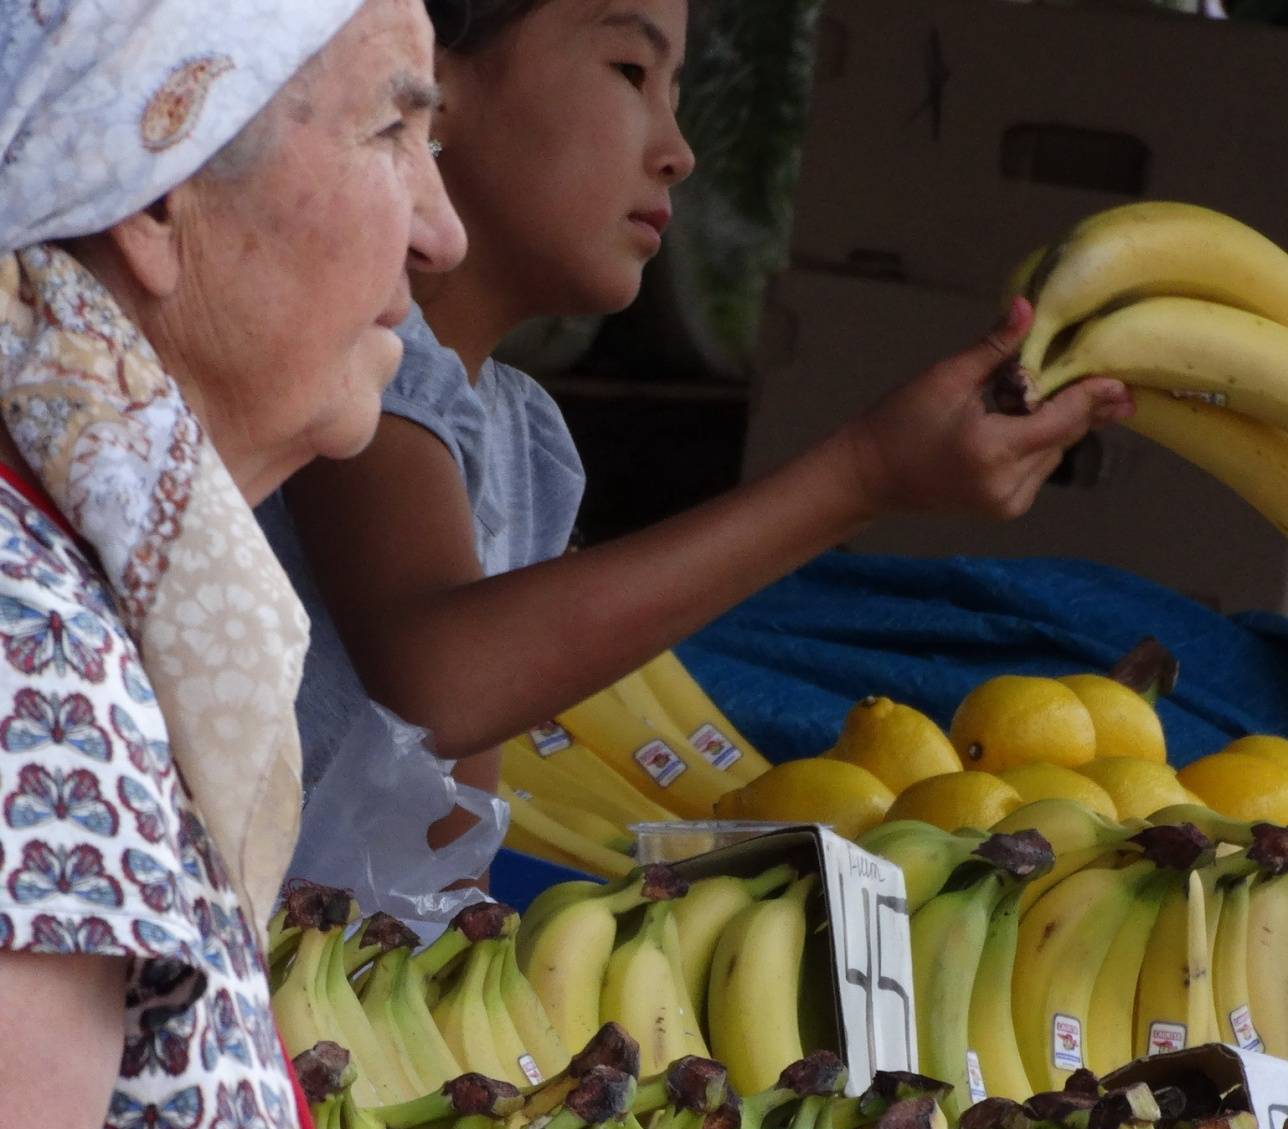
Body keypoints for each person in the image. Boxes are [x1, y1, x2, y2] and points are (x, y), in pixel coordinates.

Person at [0, 5, 673, 1129]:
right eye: (390, 133)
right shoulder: (28, 651)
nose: (438, 227)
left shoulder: (83, 606)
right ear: (154, 202)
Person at [262, 0, 1134, 848]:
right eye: (631, 71)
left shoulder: (524, 440)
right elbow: (442, 679)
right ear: (430, 80)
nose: (677, 152)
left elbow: (447, 831)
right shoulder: (360, 359)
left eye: (674, 95)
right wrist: (863, 475)